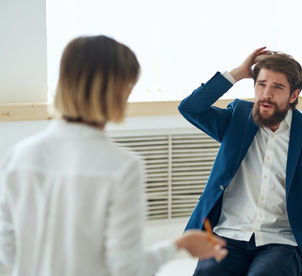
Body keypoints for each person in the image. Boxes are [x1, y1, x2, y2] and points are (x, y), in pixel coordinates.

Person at [0, 35, 227, 276]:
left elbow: (7, 247)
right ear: (118, 90)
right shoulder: (122, 166)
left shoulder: (19, 155)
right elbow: (128, 269)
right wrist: (179, 245)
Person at [178, 47, 302, 276]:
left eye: (277, 87)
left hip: (282, 240)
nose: (266, 94)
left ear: (294, 95)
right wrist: (236, 73)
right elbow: (190, 108)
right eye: (261, 84)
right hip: (229, 234)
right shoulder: (237, 118)